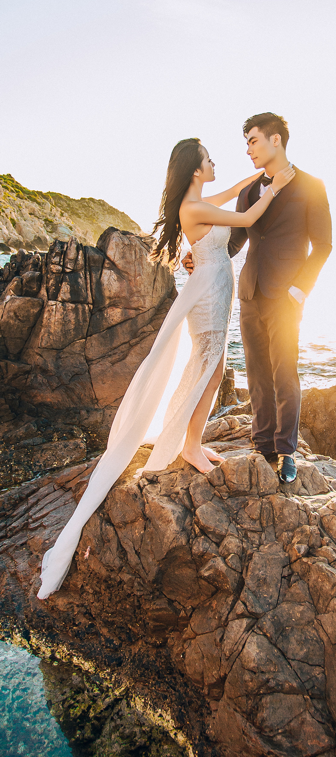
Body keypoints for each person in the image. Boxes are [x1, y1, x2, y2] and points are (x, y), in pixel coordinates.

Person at [37, 137, 294, 599]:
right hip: (209, 292)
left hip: (215, 286)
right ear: (195, 168)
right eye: (209, 159)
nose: (215, 163)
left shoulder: (199, 200)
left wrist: (263, 175)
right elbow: (245, 219)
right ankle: (189, 445)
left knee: (212, 367)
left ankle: (191, 441)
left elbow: (235, 192)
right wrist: (275, 189)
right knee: (207, 366)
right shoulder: (193, 208)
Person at [184, 113, 332, 483]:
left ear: (275, 139)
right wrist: (200, 253)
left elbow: (323, 246)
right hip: (249, 292)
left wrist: (299, 290)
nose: (248, 149)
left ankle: (286, 451)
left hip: (287, 296)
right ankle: (262, 443)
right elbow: (237, 240)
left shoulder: (312, 186)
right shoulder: (250, 191)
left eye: (252, 140)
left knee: (285, 372)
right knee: (257, 373)